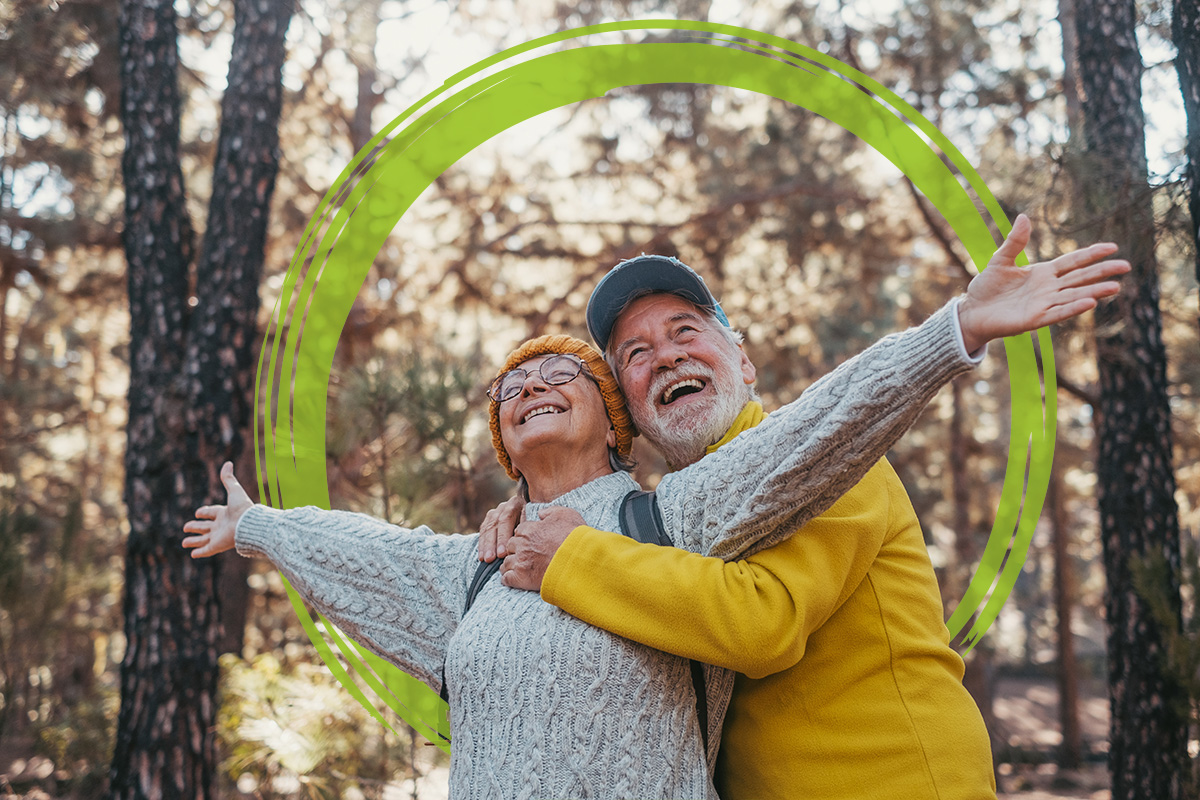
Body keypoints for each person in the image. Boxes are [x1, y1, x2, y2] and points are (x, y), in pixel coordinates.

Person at [482, 214, 1128, 800]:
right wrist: (525, 509)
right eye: (636, 354)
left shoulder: (825, 452)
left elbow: (762, 623)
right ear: (627, 410)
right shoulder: (658, 519)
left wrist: (572, 557)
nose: (668, 355)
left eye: (685, 331)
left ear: (743, 360)